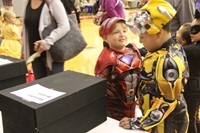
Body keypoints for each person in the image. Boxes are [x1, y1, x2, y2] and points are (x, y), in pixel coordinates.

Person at [119, 0, 189, 132]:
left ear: (158, 33)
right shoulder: (170, 46)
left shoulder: (169, 62)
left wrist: (138, 122)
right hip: (157, 120)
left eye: (142, 36)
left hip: (167, 124)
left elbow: (167, 102)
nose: (140, 40)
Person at [94, 17, 142, 121]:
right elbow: (98, 84)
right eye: (116, 32)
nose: (122, 34)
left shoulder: (134, 51)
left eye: (124, 31)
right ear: (105, 38)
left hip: (132, 105)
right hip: (113, 109)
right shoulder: (107, 58)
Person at [22, 0, 70, 79]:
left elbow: (64, 26)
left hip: (53, 55)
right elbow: (25, 29)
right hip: (35, 54)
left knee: (55, 87)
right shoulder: (26, 2)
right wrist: (23, 50)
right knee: (40, 86)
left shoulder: (53, 2)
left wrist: (47, 41)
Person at [182, 9, 200, 133]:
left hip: (193, 89)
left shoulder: (192, 50)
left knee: (189, 118)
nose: (191, 34)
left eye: (194, 30)